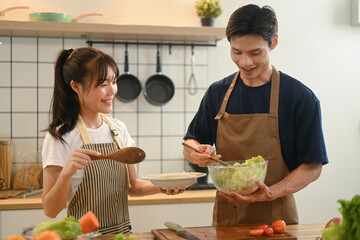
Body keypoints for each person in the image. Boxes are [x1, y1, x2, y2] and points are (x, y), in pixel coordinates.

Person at [183, 4, 328, 226]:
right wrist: (197, 154)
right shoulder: (217, 92)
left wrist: (269, 192)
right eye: (236, 52)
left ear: (274, 43)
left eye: (255, 53)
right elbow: (189, 143)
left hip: (277, 217)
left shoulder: (299, 98)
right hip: (227, 217)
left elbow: (313, 166)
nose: (245, 62)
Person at [42, 47, 184, 235]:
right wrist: (66, 173)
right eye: (103, 84)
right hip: (84, 237)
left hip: (122, 235)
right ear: (76, 86)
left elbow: (133, 186)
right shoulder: (61, 136)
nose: (113, 91)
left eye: (114, 82)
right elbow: (50, 210)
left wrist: (162, 187)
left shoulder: (118, 129)